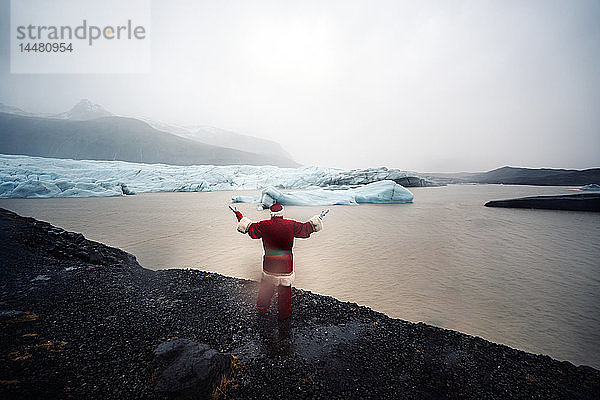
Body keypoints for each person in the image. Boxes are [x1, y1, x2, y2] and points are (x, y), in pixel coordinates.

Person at [233, 203, 324, 319]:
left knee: (266, 285)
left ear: (271, 213)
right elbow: (306, 228)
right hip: (286, 263)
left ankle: (262, 307)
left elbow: (249, 228)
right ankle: (284, 314)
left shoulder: (264, 225)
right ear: (282, 212)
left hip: (270, 262)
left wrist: (238, 215)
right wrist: (319, 218)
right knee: (285, 290)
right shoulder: (291, 225)